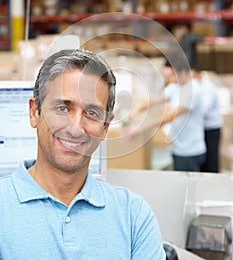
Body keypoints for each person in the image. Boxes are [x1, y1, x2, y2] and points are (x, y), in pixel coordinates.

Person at [0, 48, 165, 260]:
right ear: (34, 112)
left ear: (105, 127)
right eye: (62, 108)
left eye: (91, 113)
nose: (76, 128)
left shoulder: (133, 216)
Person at [126, 57, 206, 172]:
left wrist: (139, 128)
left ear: (183, 72)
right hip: (179, 148)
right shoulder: (176, 86)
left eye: (172, 74)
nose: (169, 78)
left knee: (187, 186)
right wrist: (135, 110)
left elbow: (169, 117)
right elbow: (154, 100)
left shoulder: (193, 90)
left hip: (190, 151)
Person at [193, 69, 223, 173]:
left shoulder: (208, 88)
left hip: (211, 129)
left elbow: (202, 109)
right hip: (200, 129)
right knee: (203, 161)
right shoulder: (195, 87)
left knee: (211, 160)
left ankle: (213, 186)